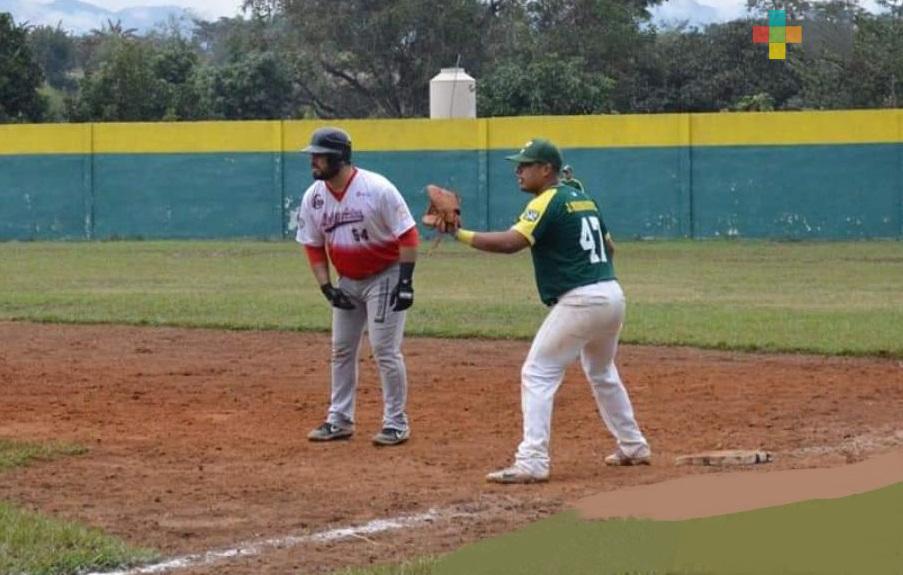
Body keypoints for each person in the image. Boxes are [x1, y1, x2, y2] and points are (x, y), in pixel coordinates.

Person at [452, 138, 650, 483]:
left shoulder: (547, 201)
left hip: (582, 299)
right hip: (612, 294)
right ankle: (633, 444)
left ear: (547, 170)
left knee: (538, 372)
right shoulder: (582, 197)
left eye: (526, 165)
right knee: (601, 371)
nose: (518, 171)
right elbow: (610, 248)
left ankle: (532, 460)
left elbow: (512, 243)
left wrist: (459, 233)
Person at [295, 127, 419, 447]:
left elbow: (408, 235)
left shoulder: (377, 189)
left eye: (320, 156)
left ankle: (396, 423)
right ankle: (339, 420)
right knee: (341, 349)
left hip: (385, 275)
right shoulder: (314, 198)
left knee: (384, 350)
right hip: (347, 280)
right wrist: (326, 287)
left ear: (340, 157)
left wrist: (405, 282)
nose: (314, 161)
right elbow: (312, 244)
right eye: (313, 156)